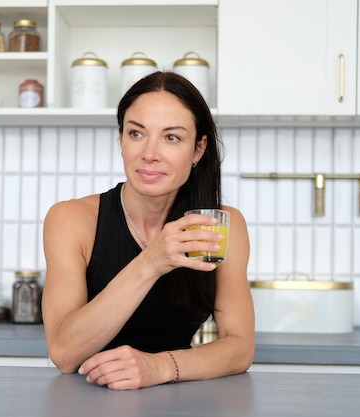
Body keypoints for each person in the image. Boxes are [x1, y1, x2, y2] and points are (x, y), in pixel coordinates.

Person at [42, 71, 254, 390]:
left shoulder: (220, 225)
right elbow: (64, 353)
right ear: (121, 138)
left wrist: (158, 367)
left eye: (171, 137)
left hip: (179, 398)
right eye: (137, 133)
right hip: (86, 401)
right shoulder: (70, 219)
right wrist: (151, 262)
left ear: (198, 149)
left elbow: (239, 348)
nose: (149, 153)